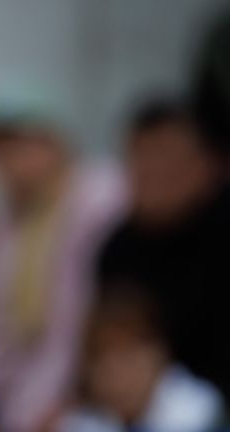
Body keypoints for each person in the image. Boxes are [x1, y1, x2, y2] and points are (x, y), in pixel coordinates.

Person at [0, 93, 125, 432]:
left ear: (54, 143)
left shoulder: (100, 199)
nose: (7, 161)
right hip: (19, 392)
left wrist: (37, 410)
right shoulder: (1, 220)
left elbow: (73, 321)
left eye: (19, 145)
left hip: (96, 387)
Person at [96, 97, 230, 401]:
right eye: (139, 158)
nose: (150, 171)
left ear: (207, 164)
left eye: (165, 158)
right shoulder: (117, 249)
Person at [55, 285, 224, 432]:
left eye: (128, 359)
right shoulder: (85, 422)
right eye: (106, 364)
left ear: (158, 353)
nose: (120, 378)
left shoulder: (197, 409)